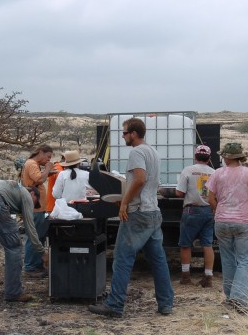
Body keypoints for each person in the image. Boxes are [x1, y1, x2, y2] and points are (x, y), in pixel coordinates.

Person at [88, 118, 174, 318]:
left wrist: (124, 202)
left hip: (138, 212)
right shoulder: (153, 152)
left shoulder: (136, 152)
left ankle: (115, 305)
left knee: (122, 259)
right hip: (153, 211)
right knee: (158, 260)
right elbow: (151, 182)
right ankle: (166, 303)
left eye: (125, 132)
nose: (123, 136)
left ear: (134, 133)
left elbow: (140, 179)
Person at [206, 143, 248, 313]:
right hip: (243, 222)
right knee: (244, 260)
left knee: (228, 260)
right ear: (240, 156)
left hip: (222, 222)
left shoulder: (217, 174)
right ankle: (239, 298)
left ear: (226, 157)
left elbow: (210, 198)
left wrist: (218, 212)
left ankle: (230, 298)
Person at [0, 180, 48, 302]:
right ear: (33, 195)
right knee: (13, 246)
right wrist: (42, 253)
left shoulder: (12, 189)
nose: (32, 207)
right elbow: (30, 228)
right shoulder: (26, 194)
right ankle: (13, 292)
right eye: (34, 204)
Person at [175, 144, 216, 287]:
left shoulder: (188, 170)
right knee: (207, 244)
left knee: (186, 244)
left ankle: (186, 277)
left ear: (195, 156)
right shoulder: (214, 172)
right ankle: (208, 277)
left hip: (191, 211)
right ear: (209, 158)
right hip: (209, 211)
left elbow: (179, 193)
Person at [20, 144, 54, 278]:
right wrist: (47, 169)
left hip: (38, 207)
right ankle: (30, 266)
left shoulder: (32, 164)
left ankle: (36, 264)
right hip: (35, 208)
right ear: (40, 152)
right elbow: (39, 179)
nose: (48, 160)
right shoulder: (32, 164)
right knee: (33, 237)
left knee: (38, 236)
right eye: (48, 157)